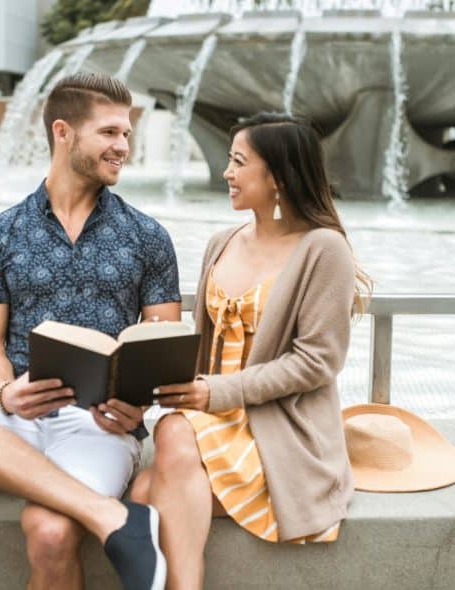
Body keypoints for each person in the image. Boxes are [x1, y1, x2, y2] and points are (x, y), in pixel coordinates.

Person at [0, 73, 181, 590]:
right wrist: (6, 393)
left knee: (49, 532)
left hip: (97, 424)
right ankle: (114, 519)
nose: (124, 147)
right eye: (111, 133)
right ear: (64, 131)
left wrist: (137, 405)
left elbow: (162, 346)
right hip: (16, 415)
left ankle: (98, 514)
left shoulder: (148, 237)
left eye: (128, 134)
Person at [130, 112, 373, 589]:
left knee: (150, 479)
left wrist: (216, 393)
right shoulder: (222, 242)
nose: (227, 173)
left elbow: (318, 361)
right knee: (157, 465)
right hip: (208, 416)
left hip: (279, 427)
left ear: (278, 176)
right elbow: (201, 344)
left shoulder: (324, 249)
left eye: (239, 162)